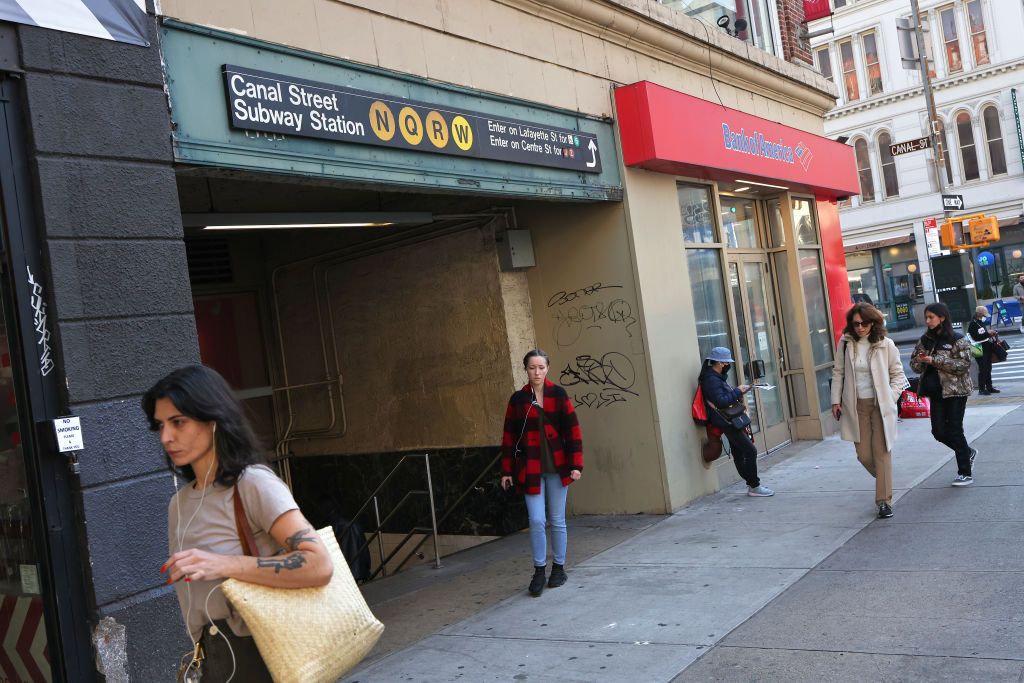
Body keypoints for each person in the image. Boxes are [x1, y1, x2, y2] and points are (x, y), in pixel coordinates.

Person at [144, 365, 333, 682]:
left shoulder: (252, 484)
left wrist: (223, 564)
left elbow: (319, 564)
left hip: (259, 651)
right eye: (160, 425)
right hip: (211, 658)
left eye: (178, 422)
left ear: (213, 420)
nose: (166, 436)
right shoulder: (179, 503)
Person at [501, 349, 583, 597]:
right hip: (530, 468)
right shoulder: (517, 400)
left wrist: (576, 465)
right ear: (525, 369)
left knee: (557, 519)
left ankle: (558, 568)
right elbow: (508, 437)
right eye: (532, 368)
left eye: (541, 367)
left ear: (548, 368)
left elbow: (573, 431)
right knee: (536, 520)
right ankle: (539, 570)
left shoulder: (558, 394)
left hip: (558, 467)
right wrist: (506, 471)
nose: (537, 372)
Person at [830, 303, 908, 518]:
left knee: (881, 452)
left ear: (873, 323)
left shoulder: (886, 344)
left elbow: (898, 375)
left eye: (864, 323)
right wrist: (835, 400)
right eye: (856, 324)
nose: (860, 328)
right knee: (864, 455)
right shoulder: (845, 344)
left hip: (880, 405)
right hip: (856, 406)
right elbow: (838, 372)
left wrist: (891, 398)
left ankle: (884, 501)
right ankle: (886, 479)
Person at [910, 303, 977, 487]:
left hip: (956, 391)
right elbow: (914, 365)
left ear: (942, 317)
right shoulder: (925, 339)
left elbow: (963, 364)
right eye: (926, 317)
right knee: (938, 432)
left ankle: (965, 472)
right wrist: (921, 360)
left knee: (955, 429)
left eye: (931, 317)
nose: (928, 321)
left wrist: (935, 360)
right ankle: (967, 452)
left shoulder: (957, 339)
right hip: (935, 392)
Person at [699, 347, 774, 498]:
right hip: (726, 422)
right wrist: (738, 391)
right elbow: (720, 401)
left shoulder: (715, 377)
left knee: (739, 453)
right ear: (720, 363)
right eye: (727, 363)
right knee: (750, 451)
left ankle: (751, 483)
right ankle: (754, 486)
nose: (728, 365)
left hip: (728, 420)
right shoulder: (712, 380)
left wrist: (739, 391)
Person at [967, 305, 1000, 396]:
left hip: (987, 346)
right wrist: (987, 334)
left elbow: (983, 334)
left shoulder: (981, 322)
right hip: (979, 348)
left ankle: (989, 387)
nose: (985, 316)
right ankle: (981, 389)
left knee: (988, 368)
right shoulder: (973, 323)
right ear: (979, 313)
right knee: (983, 369)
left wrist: (989, 334)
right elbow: (975, 337)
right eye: (983, 314)